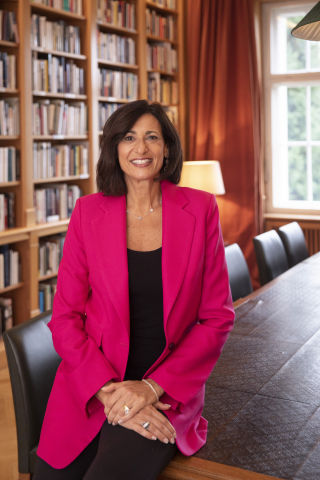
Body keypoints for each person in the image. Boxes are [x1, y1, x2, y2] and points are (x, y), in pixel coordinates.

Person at [34, 100, 235, 480]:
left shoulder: (201, 209)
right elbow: (66, 318)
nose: (140, 149)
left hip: (167, 390)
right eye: (129, 137)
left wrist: (151, 389)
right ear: (114, 147)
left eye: (152, 137)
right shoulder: (88, 213)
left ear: (167, 150)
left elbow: (216, 318)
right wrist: (108, 392)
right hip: (92, 387)